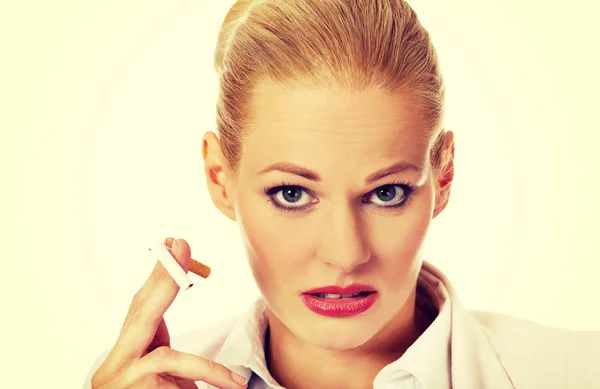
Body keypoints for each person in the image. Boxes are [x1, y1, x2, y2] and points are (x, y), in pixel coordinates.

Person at [83, 1, 600, 388]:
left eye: (388, 192)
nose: (346, 254)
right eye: (291, 193)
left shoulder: (573, 373)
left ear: (442, 178)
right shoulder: (138, 383)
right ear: (220, 177)